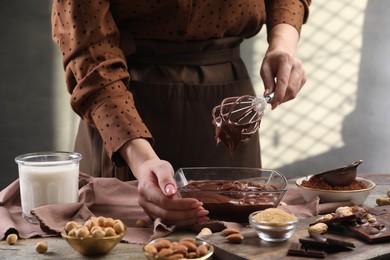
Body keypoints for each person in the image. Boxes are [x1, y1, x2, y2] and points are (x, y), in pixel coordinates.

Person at [51, 0, 311, 226]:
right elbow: (88, 49)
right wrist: (141, 160)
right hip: (120, 113)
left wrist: (283, 45)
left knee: (234, 239)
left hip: (229, 108)